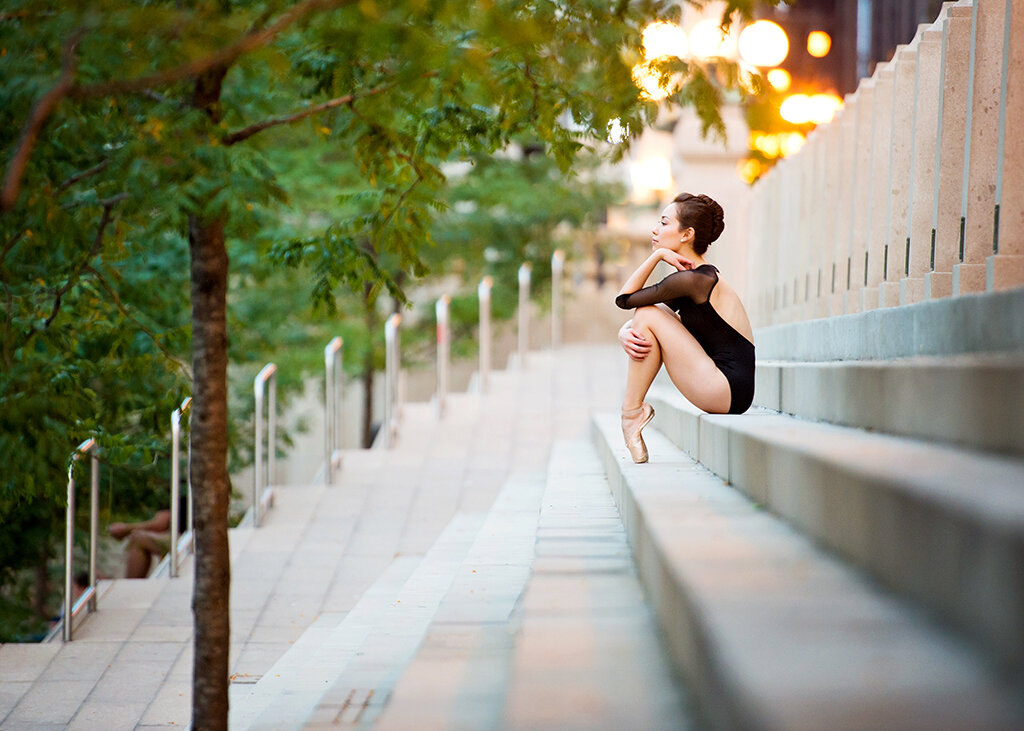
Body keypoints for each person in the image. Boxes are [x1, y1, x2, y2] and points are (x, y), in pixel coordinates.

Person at [615, 193, 755, 463]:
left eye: (664, 223)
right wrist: (625, 331)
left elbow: (624, 300)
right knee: (646, 315)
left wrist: (656, 257)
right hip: (729, 391)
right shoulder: (696, 278)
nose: (655, 229)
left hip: (724, 388)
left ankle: (631, 413)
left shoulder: (693, 280)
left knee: (645, 312)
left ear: (686, 234)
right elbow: (648, 316)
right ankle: (632, 413)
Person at [108, 494, 188, 578]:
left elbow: (161, 523)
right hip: (187, 539)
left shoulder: (177, 487)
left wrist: (127, 528)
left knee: (138, 538)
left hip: (188, 541)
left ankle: (132, 586)